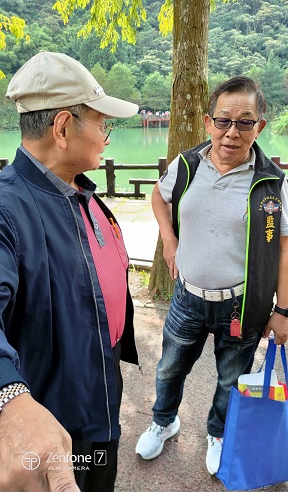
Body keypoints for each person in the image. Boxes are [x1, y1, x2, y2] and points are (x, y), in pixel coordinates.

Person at [0, 50, 139, 492]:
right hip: (50, 427)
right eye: (102, 124)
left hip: (99, 394)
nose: (107, 138)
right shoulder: (7, 210)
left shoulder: (80, 190)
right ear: (63, 128)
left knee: (102, 476)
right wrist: (10, 397)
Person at [135, 76, 288, 475]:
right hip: (187, 298)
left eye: (245, 122)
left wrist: (284, 310)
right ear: (208, 122)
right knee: (170, 366)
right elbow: (158, 194)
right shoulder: (187, 165)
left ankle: (218, 432)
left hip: (241, 305)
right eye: (223, 121)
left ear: (260, 127)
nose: (232, 133)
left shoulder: (272, 183)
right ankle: (164, 421)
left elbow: (286, 248)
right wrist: (169, 240)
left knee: (230, 377)